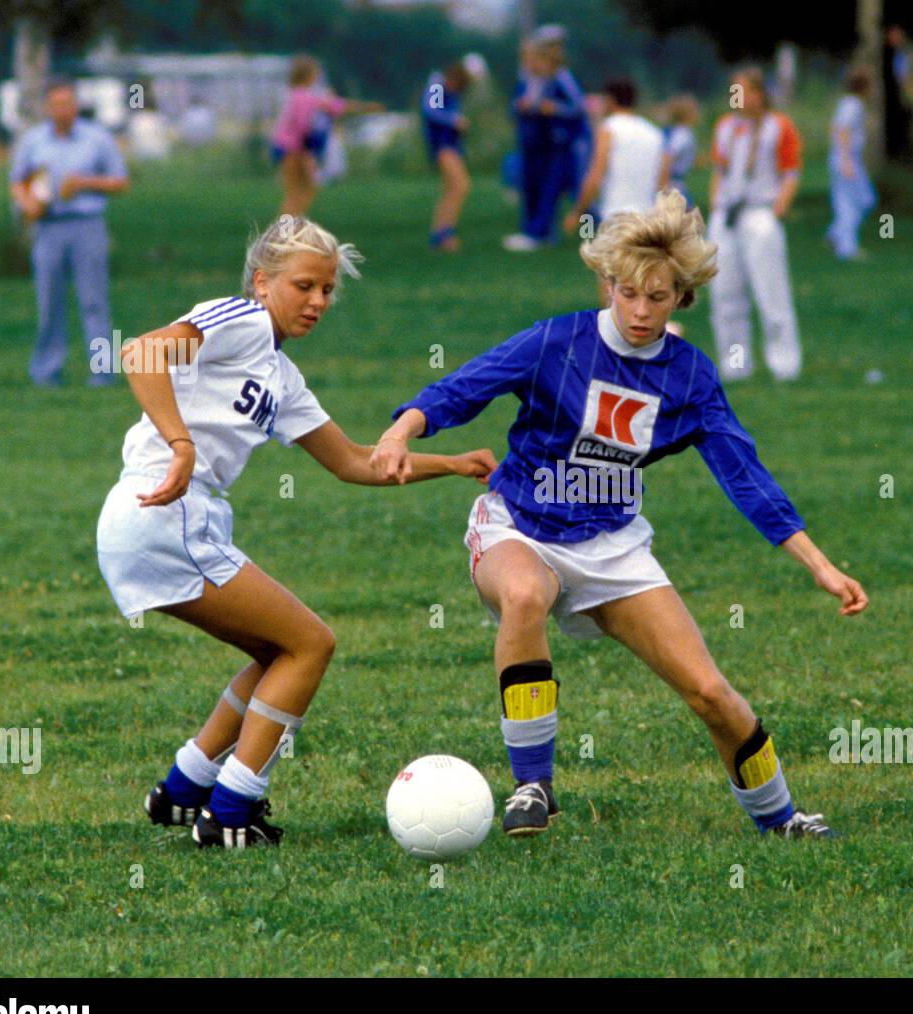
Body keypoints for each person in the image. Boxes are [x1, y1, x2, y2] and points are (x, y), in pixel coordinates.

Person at [372, 191, 869, 842]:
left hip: (612, 546)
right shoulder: (557, 340)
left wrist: (821, 565)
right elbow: (463, 388)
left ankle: (781, 819)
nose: (639, 310)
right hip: (517, 523)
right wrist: (399, 433)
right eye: (628, 292)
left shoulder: (688, 377)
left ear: (682, 298)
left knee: (711, 694)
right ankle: (534, 786)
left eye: (658, 297)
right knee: (523, 592)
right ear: (607, 282)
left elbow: (744, 475)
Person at [96, 216, 496, 847]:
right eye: (304, 285)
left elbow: (353, 462)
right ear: (263, 281)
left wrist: (453, 464)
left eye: (328, 290)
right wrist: (181, 445)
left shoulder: (283, 378)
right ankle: (230, 812)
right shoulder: (242, 318)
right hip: (166, 510)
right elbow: (141, 352)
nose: (318, 301)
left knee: (277, 651)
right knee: (310, 645)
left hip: (160, 517)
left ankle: (183, 790)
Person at [9, 77, 129, 388]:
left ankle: (103, 372)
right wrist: (26, 204)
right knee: (49, 301)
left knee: (94, 301)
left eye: (68, 103)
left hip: (87, 226)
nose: (63, 110)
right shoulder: (33, 141)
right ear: (47, 107)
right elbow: (18, 181)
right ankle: (47, 371)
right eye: (56, 104)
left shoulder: (97, 139)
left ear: (76, 105)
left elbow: (120, 181)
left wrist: (84, 183)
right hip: (48, 229)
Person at [708, 67, 803, 382]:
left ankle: (784, 364)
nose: (737, 98)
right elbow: (719, 170)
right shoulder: (726, 127)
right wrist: (715, 205)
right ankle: (735, 364)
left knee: (770, 291)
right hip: (729, 212)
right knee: (726, 293)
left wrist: (778, 209)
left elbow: (790, 172)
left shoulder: (778, 126)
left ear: (759, 94)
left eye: (743, 91)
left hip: (760, 211)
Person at [504, 29, 590, 251]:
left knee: (574, 190)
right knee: (541, 189)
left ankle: (587, 233)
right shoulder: (530, 80)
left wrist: (554, 109)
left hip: (563, 145)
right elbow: (517, 106)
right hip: (539, 144)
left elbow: (579, 107)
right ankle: (541, 233)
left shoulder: (561, 77)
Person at [271, 55, 381, 218]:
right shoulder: (304, 97)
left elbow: (336, 105)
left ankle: (289, 229)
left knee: (302, 190)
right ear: (308, 74)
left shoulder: (298, 95)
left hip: (290, 147)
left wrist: (364, 107)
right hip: (294, 148)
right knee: (297, 193)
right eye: (315, 72)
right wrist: (367, 107)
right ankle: (284, 234)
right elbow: (304, 124)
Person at [562, 77, 667, 238]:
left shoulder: (609, 129)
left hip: (616, 215)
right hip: (648, 216)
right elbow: (662, 182)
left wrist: (578, 212)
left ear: (610, 100)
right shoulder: (654, 132)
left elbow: (596, 175)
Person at [827, 67, 878, 262]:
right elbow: (842, 130)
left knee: (862, 199)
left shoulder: (849, 103)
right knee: (852, 202)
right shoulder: (853, 105)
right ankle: (846, 246)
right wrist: (846, 160)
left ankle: (835, 234)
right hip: (846, 158)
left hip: (847, 157)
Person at [421, 62, 472, 252]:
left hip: (450, 144)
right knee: (460, 186)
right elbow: (431, 111)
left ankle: (439, 233)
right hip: (442, 145)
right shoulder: (437, 85)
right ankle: (445, 233)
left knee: (451, 188)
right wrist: (455, 120)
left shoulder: (449, 91)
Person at [882, 24, 913, 161]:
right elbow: (904, 77)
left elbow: (904, 75)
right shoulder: (885, 54)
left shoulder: (899, 54)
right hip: (889, 98)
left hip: (897, 99)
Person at [661, 95, 700, 206]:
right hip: (674, 184)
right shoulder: (684, 134)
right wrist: (663, 186)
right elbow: (668, 157)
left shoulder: (669, 130)